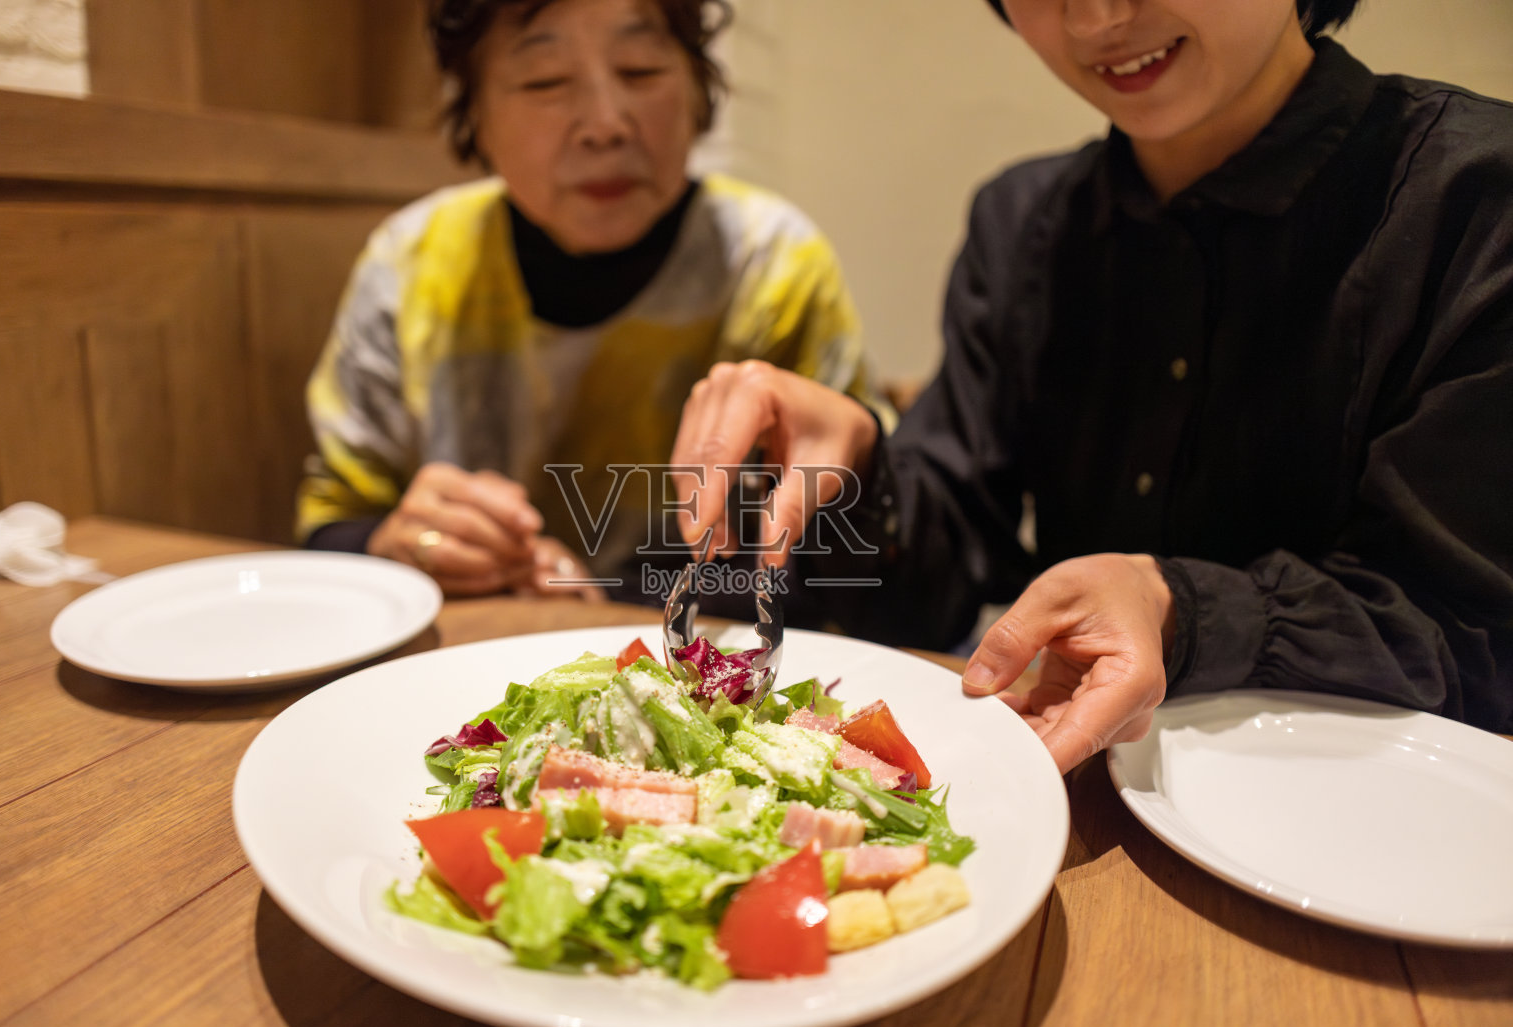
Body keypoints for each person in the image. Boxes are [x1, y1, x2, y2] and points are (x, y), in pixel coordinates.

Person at [670, 0, 1513, 773]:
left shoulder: (1478, 203)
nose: (1097, 16)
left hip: (1408, 841)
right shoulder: (1024, 224)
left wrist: (1179, 608)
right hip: (1082, 809)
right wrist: (860, 467)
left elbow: (1476, 635)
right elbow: (940, 589)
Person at [297, 0, 888, 602]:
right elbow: (329, 521)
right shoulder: (410, 263)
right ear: (474, 111)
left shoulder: (772, 267)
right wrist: (393, 544)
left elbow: (846, 564)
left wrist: (608, 597)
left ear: (697, 91)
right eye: (545, 82)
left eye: (639, 71)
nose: (605, 124)